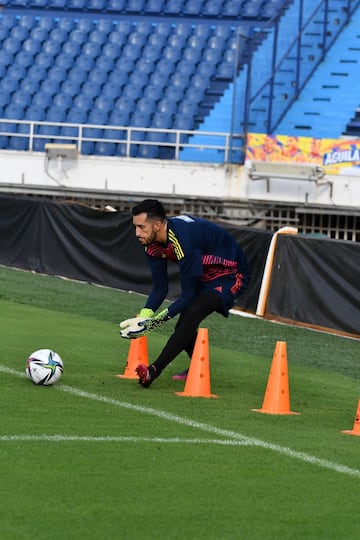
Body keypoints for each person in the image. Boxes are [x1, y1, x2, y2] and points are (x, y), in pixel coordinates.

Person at [119, 199, 250, 388]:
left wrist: (152, 324)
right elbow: (160, 288)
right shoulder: (151, 243)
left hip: (229, 273)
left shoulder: (182, 240)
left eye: (141, 227)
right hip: (203, 272)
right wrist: (146, 314)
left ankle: (153, 371)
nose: (137, 233)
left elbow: (187, 297)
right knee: (183, 323)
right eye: (135, 227)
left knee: (193, 312)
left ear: (157, 225)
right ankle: (199, 367)